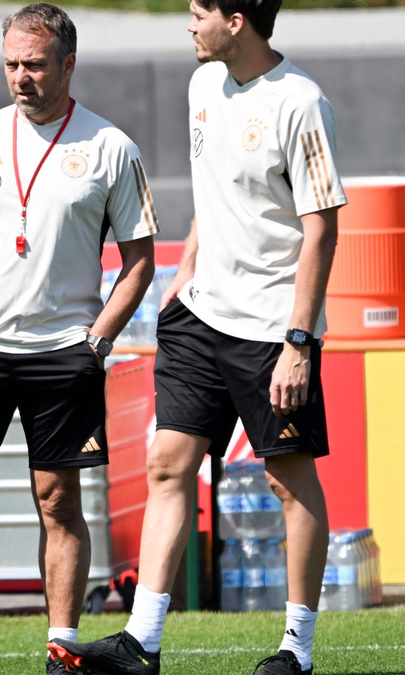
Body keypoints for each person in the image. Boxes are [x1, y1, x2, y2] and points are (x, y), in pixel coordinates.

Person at [48, 0, 343, 673]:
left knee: (287, 481)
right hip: (199, 314)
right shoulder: (201, 83)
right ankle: (140, 640)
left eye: (199, 11)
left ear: (236, 20)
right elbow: (215, 195)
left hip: (273, 328)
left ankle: (296, 647)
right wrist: (186, 270)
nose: (188, 24)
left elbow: (322, 227)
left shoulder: (301, 102)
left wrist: (298, 340)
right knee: (166, 463)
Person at [0, 4, 159, 674]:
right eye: (12, 63)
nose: (21, 76)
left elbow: (139, 261)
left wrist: (95, 342)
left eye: (35, 64)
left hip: (62, 352)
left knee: (58, 498)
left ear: (68, 64)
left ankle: (63, 647)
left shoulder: (111, 147)